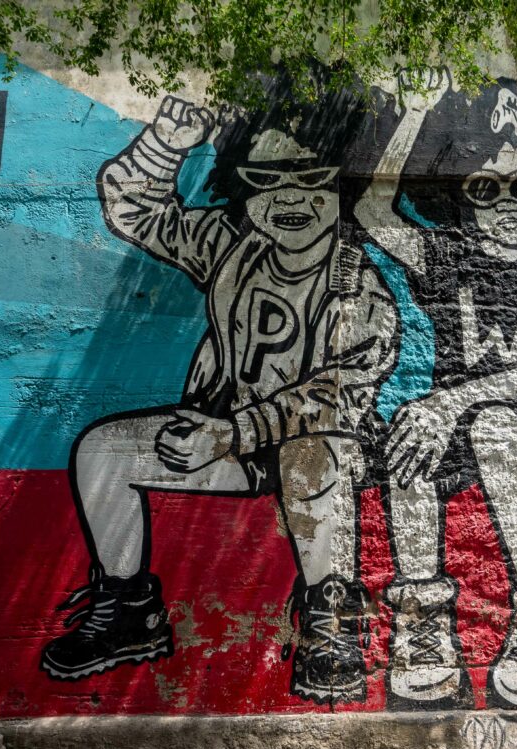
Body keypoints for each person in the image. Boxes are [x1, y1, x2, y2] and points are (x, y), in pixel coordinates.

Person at [39, 66, 399, 706]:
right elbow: (136, 213)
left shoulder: (355, 285)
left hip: (324, 452)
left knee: (310, 456)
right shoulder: (231, 246)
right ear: (243, 188)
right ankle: (128, 612)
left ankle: (331, 618)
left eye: (310, 179)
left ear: (337, 186)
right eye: (267, 181)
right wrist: (164, 145)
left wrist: (234, 432)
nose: (289, 198)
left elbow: (340, 394)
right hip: (227, 439)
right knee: (102, 450)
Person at [356, 70, 517, 709]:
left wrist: (446, 402)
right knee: (408, 436)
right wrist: (412, 113)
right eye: (486, 188)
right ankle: (423, 621)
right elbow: (372, 211)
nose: (507, 203)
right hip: (448, 423)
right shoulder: (447, 257)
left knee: (491, 425)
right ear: (465, 198)